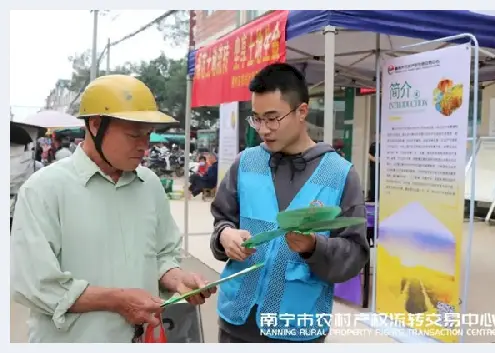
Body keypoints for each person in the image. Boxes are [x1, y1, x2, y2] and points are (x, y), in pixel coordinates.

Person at [10, 75, 216, 343]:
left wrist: (176, 279)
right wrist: (117, 301)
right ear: (95, 125)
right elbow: (34, 284)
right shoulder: (44, 189)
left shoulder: (149, 185)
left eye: (147, 135)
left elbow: (163, 253)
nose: (144, 145)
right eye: (133, 135)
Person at [209, 63, 369, 343]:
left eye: (272, 118)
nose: (264, 129)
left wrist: (314, 247)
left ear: (302, 112)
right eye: (257, 119)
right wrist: (225, 235)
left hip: (297, 328)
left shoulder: (340, 174)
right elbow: (222, 219)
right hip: (236, 320)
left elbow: (354, 254)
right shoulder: (245, 163)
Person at [368, 134, 379, 202]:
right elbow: (369, 154)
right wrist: (374, 159)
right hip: (373, 166)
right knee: (373, 181)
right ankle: (372, 198)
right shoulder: (373, 145)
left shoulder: (384, 145)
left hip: (381, 167)